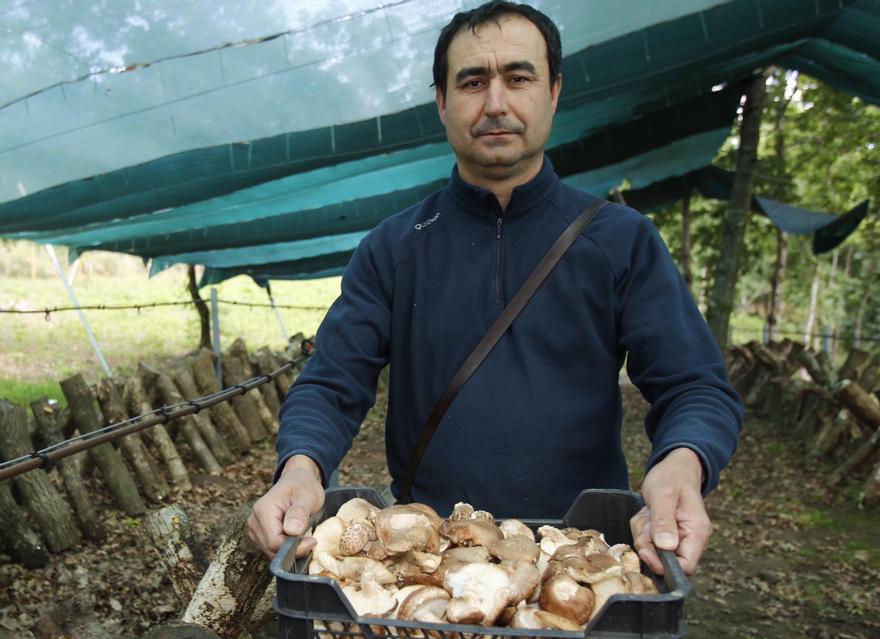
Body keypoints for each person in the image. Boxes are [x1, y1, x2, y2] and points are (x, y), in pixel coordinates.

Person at [248, 0, 742, 577]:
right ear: (442, 100)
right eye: (473, 81)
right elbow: (331, 383)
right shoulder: (394, 246)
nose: (496, 103)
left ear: (553, 91)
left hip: (585, 560)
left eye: (518, 77)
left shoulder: (620, 240)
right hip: (427, 560)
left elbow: (696, 386)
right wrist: (301, 466)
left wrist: (683, 464)